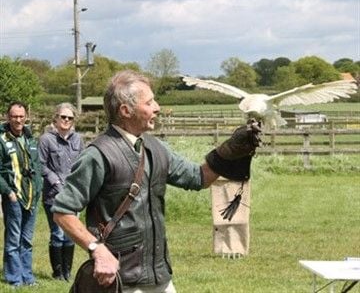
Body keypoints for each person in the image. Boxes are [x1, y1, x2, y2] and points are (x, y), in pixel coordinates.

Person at [52, 70, 261, 293]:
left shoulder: (156, 149)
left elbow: (200, 177)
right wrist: (97, 249)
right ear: (126, 110)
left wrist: (230, 149)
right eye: (150, 102)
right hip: (120, 281)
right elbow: (63, 211)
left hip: (160, 277)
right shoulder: (97, 155)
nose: (157, 107)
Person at [38, 103, 84, 281]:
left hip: (73, 194)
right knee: (57, 234)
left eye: (70, 118)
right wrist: (56, 182)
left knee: (70, 234)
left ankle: (68, 272)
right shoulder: (46, 140)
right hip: (53, 195)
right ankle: (57, 273)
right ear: (55, 118)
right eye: (63, 117)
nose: (66, 120)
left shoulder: (78, 139)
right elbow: (41, 165)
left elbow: (82, 163)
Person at [0, 101, 42, 287]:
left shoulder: (31, 138)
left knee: (27, 240)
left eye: (21, 116)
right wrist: (8, 192)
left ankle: (28, 277)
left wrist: (39, 188)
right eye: (14, 116)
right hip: (14, 197)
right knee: (13, 240)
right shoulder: (2, 140)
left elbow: (38, 166)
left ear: (26, 117)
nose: (18, 120)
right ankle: (14, 278)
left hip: (32, 197)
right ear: (8, 117)